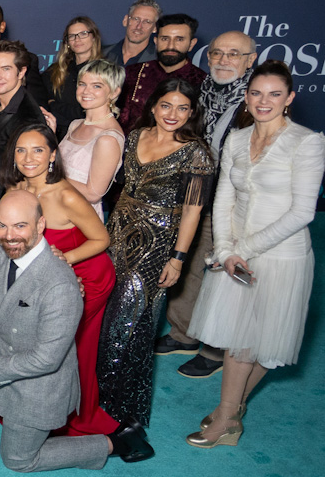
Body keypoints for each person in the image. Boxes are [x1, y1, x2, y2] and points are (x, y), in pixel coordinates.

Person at [0, 191, 153, 469]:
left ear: (41, 225)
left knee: (18, 461)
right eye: (2, 225)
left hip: (40, 382)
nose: (9, 235)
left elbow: (46, 359)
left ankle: (119, 441)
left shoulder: (61, 284)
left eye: (20, 226)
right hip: (3, 346)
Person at [186, 61, 325, 449]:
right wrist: (226, 248)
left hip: (282, 255)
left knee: (266, 342)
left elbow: (303, 212)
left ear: (290, 98)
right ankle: (228, 416)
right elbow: (225, 198)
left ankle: (231, 412)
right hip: (236, 254)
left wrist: (241, 250)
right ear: (247, 97)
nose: (264, 101)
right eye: (257, 93)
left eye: (274, 94)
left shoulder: (307, 141)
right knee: (238, 339)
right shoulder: (236, 138)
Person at [97, 78, 215, 441]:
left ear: (192, 112)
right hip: (117, 234)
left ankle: (120, 411)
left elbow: (192, 213)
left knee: (129, 326)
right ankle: (95, 404)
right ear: (153, 106)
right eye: (166, 105)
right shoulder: (135, 136)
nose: (173, 114)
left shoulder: (197, 153)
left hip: (155, 246)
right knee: (103, 318)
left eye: (182, 108)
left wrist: (178, 259)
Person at [3, 124, 117, 437]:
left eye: (38, 150)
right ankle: (33, 404)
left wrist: (63, 260)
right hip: (48, 278)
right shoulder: (18, 190)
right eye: (21, 150)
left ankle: (73, 417)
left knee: (68, 348)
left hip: (87, 277)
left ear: (53, 155)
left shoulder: (66, 195)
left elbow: (101, 239)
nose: (28, 158)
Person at [159, 31, 258, 377]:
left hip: (234, 203)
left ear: (250, 60)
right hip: (198, 193)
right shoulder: (201, 94)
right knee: (187, 266)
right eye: (217, 53)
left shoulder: (255, 101)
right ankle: (183, 333)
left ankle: (216, 349)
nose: (223, 60)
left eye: (234, 54)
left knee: (223, 274)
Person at [0, 40, 46, 219]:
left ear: (21, 72)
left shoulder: (27, 117)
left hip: (3, 209)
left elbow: (24, 175)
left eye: (6, 69)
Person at [58, 59, 126, 219]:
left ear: (114, 92)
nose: (86, 91)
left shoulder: (108, 138)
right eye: (82, 84)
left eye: (97, 86)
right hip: (56, 211)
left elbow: (93, 194)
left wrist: (50, 175)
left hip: (80, 218)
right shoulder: (75, 125)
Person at [117, 13, 206, 132]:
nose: (170, 46)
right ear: (156, 41)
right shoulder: (132, 72)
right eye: (165, 39)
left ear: (191, 44)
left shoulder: (202, 82)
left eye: (179, 39)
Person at [46, 16, 103, 139]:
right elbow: (41, 100)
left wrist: (55, 105)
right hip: (55, 136)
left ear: (94, 37)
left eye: (83, 34)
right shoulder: (57, 70)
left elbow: (85, 112)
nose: (77, 39)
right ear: (67, 42)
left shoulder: (104, 71)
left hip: (88, 136)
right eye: (72, 36)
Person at [103, 0, 161, 68]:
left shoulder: (159, 61)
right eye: (136, 19)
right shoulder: (101, 55)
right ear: (125, 20)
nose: (139, 26)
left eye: (147, 22)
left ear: (155, 28)